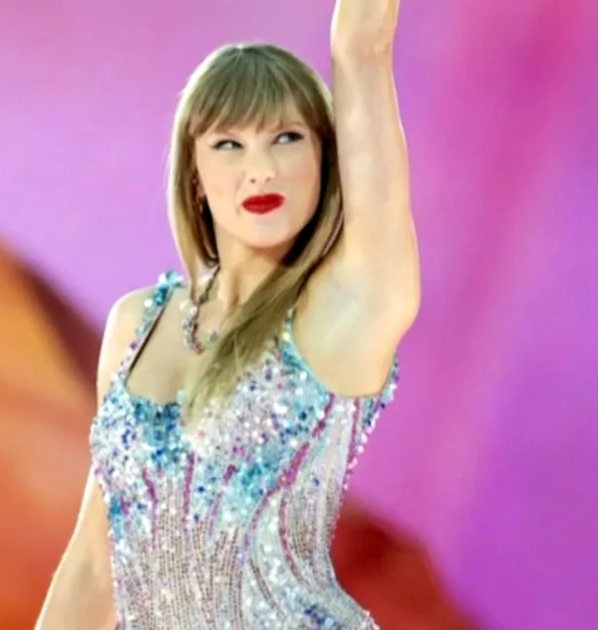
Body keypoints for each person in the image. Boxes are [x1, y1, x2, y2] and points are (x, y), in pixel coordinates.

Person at [35, 0, 419, 627]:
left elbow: (362, 44)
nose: (260, 169)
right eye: (229, 144)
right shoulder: (136, 326)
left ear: (327, 162)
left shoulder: (343, 312)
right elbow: (93, 568)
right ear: (195, 175)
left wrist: (357, 38)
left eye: (286, 138)